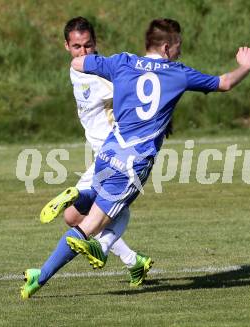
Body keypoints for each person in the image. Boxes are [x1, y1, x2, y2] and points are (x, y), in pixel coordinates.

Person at [21, 18, 250, 299]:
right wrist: (245, 66)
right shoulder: (177, 73)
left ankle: (79, 208)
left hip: (108, 151)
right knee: (93, 226)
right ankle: (93, 249)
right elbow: (225, 83)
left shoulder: (122, 62)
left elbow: (79, 64)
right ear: (167, 47)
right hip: (133, 163)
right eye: (178, 46)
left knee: (82, 215)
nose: (179, 52)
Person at [20, 17, 153, 300]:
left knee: (81, 214)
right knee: (106, 209)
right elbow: (133, 89)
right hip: (111, 155)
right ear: (66, 45)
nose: (84, 53)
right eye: (77, 46)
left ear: (96, 43)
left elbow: (130, 90)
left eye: (89, 45)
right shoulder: (92, 73)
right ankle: (130, 260)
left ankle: (85, 204)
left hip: (111, 154)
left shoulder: (87, 70)